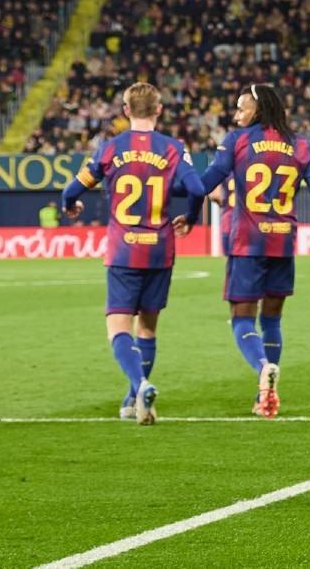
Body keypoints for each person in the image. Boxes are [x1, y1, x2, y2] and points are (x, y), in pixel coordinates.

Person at [60, 82, 206, 424]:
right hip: (160, 249)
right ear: (158, 110)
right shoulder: (173, 148)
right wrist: (193, 217)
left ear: (126, 111)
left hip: (123, 249)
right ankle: (133, 398)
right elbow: (197, 188)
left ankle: (139, 385)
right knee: (148, 329)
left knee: (118, 327)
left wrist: (71, 204)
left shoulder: (110, 148)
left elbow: (72, 189)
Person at [199, 84, 310, 418]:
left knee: (241, 319)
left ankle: (262, 367)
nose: (236, 115)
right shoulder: (301, 145)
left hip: (247, 243)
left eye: (241, 108)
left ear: (258, 109)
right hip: (283, 241)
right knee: (273, 319)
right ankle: (267, 395)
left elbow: (204, 185)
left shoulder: (237, 141)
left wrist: (176, 187)